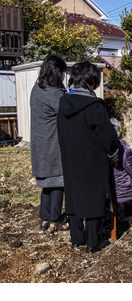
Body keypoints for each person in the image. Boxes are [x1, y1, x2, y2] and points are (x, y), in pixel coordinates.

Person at [57, 61, 119, 254]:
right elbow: (108, 135)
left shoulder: (63, 103)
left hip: (70, 156)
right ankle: (93, 242)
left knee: (73, 194)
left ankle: (76, 239)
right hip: (93, 158)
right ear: (93, 81)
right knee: (92, 198)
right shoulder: (95, 106)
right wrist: (113, 153)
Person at [30, 55, 68, 231]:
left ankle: (44, 218)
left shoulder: (36, 89)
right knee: (59, 182)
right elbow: (67, 112)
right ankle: (55, 218)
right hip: (54, 143)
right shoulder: (55, 94)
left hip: (39, 142)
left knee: (46, 183)